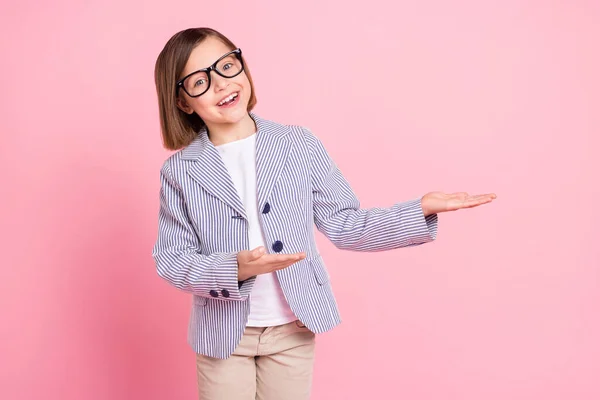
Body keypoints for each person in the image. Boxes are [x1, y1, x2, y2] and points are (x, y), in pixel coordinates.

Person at [151, 27, 496, 400]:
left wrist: (419, 210)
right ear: (183, 101)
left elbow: (348, 224)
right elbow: (172, 260)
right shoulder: (181, 171)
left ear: (243, 67)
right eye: (200, 81)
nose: (221, 85)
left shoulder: (298, 144)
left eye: (227, 66)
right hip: (222, 334)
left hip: (292, 329)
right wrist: (236, 268)